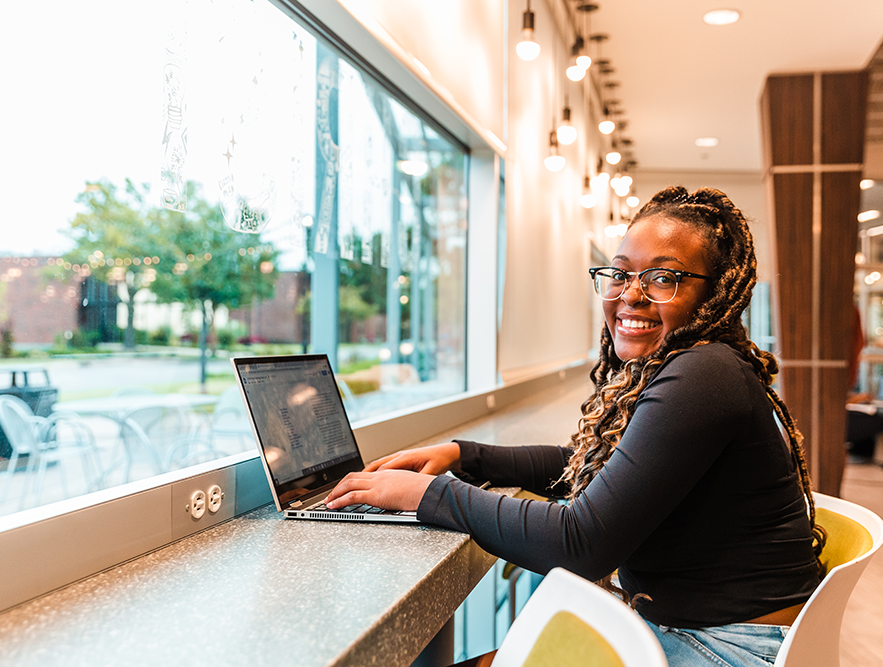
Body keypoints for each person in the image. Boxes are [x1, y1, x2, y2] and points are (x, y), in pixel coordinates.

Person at [325, 186, 824, 667]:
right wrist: (463, 455)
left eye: (662, 278)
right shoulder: (688, 367)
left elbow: (580, 542)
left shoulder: (705, 373)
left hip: (733, 647)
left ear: (714, 295)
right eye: (621, 274)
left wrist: (425, 495)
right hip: (690, 629)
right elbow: (589, 466)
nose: (632, 295)